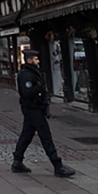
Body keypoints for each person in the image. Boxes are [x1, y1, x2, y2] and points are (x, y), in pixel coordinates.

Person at [12, 49, 76, 178]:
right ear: (29, 60)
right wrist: (39, 87)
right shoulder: (26, 75)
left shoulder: (33, 72)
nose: (38, 61)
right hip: (32, 109)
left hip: (35, 108)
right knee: (45, 136)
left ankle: (17, 161)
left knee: (27, 135)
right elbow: (27, 93)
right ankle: (57, 166)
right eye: (36, 59)